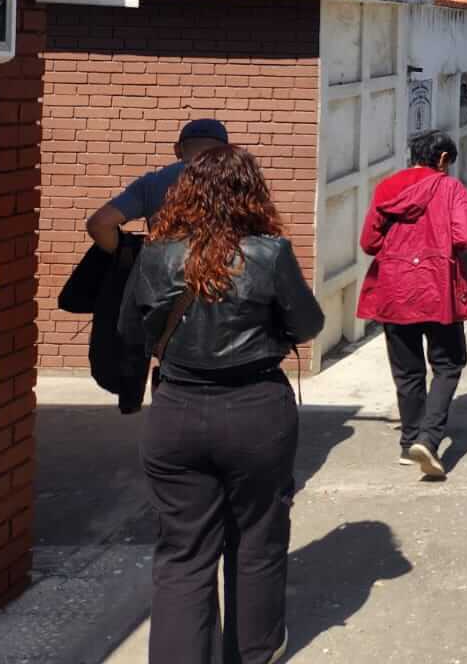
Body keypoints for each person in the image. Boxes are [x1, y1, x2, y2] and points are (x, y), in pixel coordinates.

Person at [119, 146, 324, 664]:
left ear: (184, 193)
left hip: (177, 410)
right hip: (255, 410)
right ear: (250, 193)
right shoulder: (269, 253)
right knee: (257, 541)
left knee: (182, 554)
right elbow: (309, 324)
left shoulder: (156, 254)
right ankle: (251, 655)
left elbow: (130, 330)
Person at [358, 130, 467, 479]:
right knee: (448, 363)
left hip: (394, 286)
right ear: (442, 159)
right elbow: (465, 237)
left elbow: (369, 242)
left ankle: (409, 440)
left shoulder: (389, 187)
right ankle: (428, 438)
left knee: (407, 369)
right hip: (437, 285)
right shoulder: (451, 189)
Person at [85, 118, 230, 253]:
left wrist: (135, 257)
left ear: (177, 150)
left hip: (161, 275)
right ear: (228, 153)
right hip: (227, 274)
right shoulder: (242, 182)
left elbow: (99, 224)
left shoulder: (152, 182)